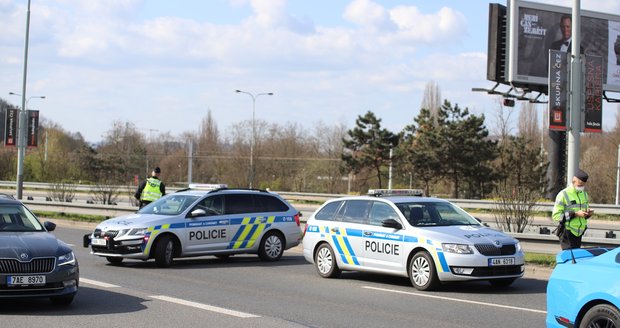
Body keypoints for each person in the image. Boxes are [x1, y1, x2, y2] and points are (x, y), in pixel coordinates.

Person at [552, 169, 593, 250]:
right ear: (573, 181)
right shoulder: (563, 194)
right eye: (580, 185)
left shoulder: (584, 194)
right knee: (570, 260)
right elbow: (556, 216)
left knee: (576, 260)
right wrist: (575, 214)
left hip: (579, 233)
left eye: (583, 185)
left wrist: (587, 214)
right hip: (567, 233)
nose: (582, 187)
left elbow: (583, 213)